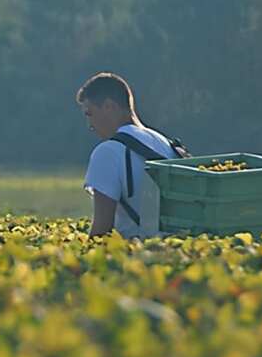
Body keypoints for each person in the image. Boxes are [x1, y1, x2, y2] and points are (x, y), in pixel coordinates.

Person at [77, 72, 184, 238]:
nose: (89, 125)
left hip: (137, 254)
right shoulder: (166, 143)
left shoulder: (107, 152)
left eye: (89, 113)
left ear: (108, 107)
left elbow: (101, 232)